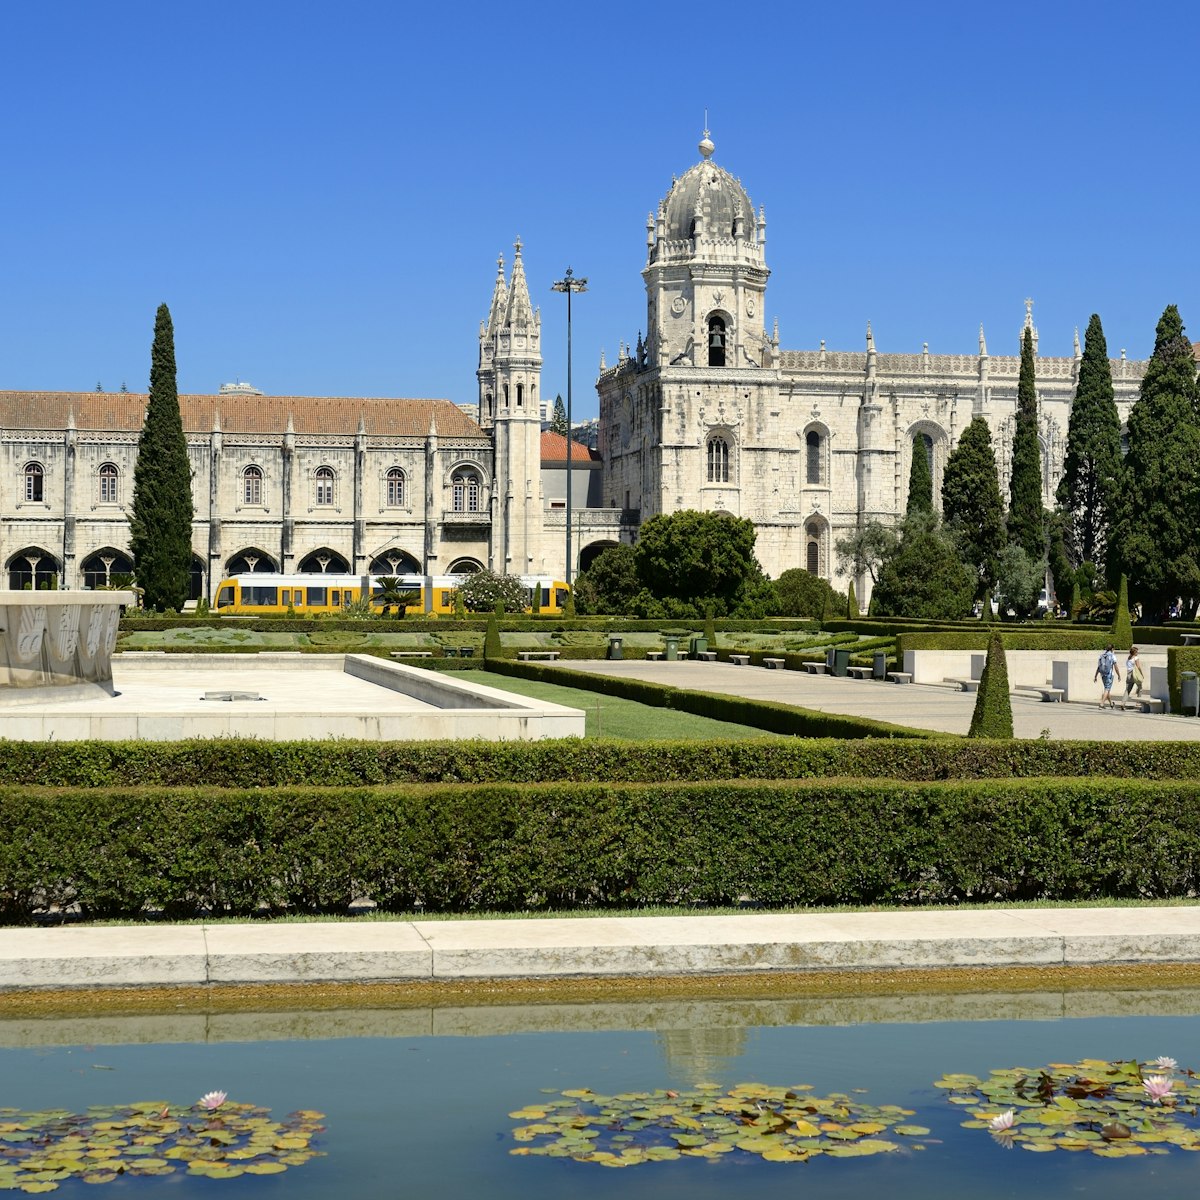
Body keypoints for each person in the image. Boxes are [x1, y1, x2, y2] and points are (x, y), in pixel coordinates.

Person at [1094, 644, 1120, 709]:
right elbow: (1116, 667)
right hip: (1109, 674)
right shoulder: (1112, 656)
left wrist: (1096, 676)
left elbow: (1099, 666)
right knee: (1107, 689)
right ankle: (1101, 704)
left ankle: (1111, 703)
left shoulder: (1102, 655)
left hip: (1102, 674)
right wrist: (1119, 675)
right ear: (1112, 649)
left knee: (1107, 689)